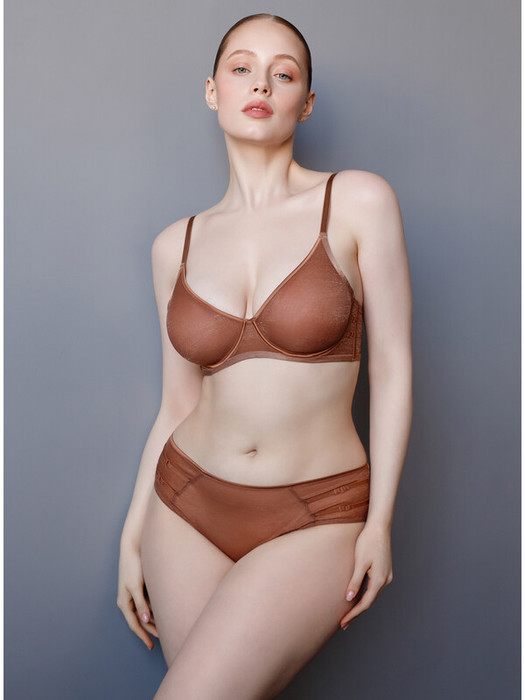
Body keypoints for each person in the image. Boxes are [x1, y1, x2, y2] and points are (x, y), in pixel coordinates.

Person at [117, 12, 412, 699]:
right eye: (241, 68)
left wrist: (380, 523)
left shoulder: (357, 201)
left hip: (316, 512)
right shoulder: (174, 245)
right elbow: (177, 404)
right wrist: (133, 535)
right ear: (212, 91)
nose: (261, 84)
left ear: (304, 103)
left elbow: (393, 371)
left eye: (283, 74)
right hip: (184, 505)